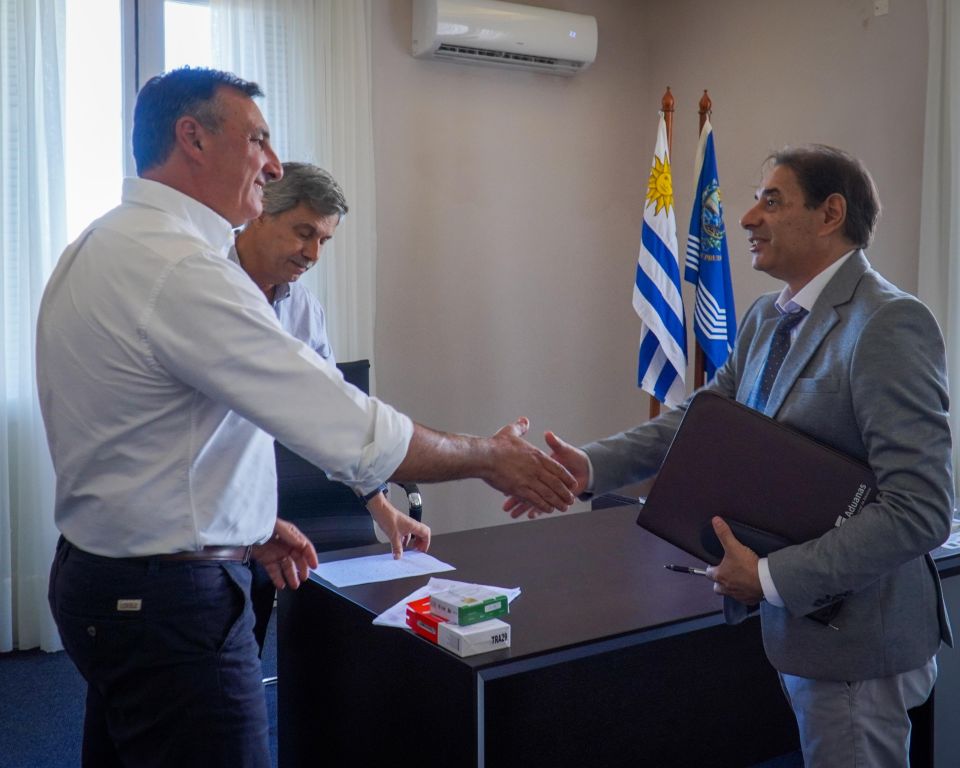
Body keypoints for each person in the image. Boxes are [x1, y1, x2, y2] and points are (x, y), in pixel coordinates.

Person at [37, 67, 575, 768]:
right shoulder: (184, 271)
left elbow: (143, 439)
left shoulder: (102, 242)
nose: (272, 163)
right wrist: (488, 456)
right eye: (257, 140)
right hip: (167, 605)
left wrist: (249, 525)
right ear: (192, 138)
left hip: (104, 579)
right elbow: (346, 426)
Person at [507, 145, 954, 766]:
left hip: (856, 643)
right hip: (798, 634)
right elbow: (701, 422)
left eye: (772, 200)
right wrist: (587, 467)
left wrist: (769, 578)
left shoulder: (888, 323)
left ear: (830, 214)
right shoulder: (766, 318)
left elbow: (921, 508)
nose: (746, 218)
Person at [231, 161, 407, 653]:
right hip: (209, 522)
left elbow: (331, 417)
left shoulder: (304, 309)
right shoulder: (205, 282)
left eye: (324, 240)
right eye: (304, 233)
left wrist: (381, 507)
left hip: (270, 508)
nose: (313, 253)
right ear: (260, 212)